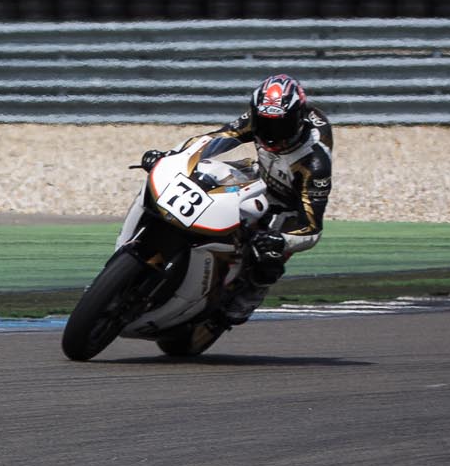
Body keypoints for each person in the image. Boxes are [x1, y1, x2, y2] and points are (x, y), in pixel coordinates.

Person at [140, 73, 333, 325]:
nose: (271, 134)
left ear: (298, 120)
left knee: (268, 252)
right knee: (203, 173)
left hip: (288, 203)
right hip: (260, 173)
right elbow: (221, 137)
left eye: (280, 126)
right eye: (265, 125)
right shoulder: (258, 117)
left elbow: (312, 227)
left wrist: (281, 239)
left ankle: (251, 292)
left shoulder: (315, 163)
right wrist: (172, 155)